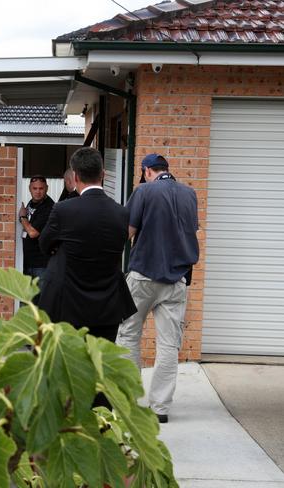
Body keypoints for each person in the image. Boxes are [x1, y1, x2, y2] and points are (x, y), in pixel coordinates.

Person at [116, 153, 199, 424]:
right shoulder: (190, 194)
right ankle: (160, 408)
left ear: (147, 171)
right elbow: (190, 231)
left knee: (128, 334)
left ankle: (126, 401)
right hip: (176, 280)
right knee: (168, 345)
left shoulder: (144, 192)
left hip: (143, 275)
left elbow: (127, 231)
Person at [38, 147, 136, 342]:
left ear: (74, 177)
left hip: (69, 305)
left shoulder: (64, 210)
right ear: (103, 175)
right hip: (108, 306)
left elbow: (44, 245)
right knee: (99, 365)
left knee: (69, 365)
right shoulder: (121, 213)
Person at [18, 175, 55, 284]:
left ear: (46, 188)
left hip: (41, 264)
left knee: (39, 299)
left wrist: (23, 217)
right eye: (35, 188)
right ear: (30, 188)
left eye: (41, 188)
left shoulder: (49, 207)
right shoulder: (32, 203)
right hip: (28, 261)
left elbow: (33, 233)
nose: (37, 192)